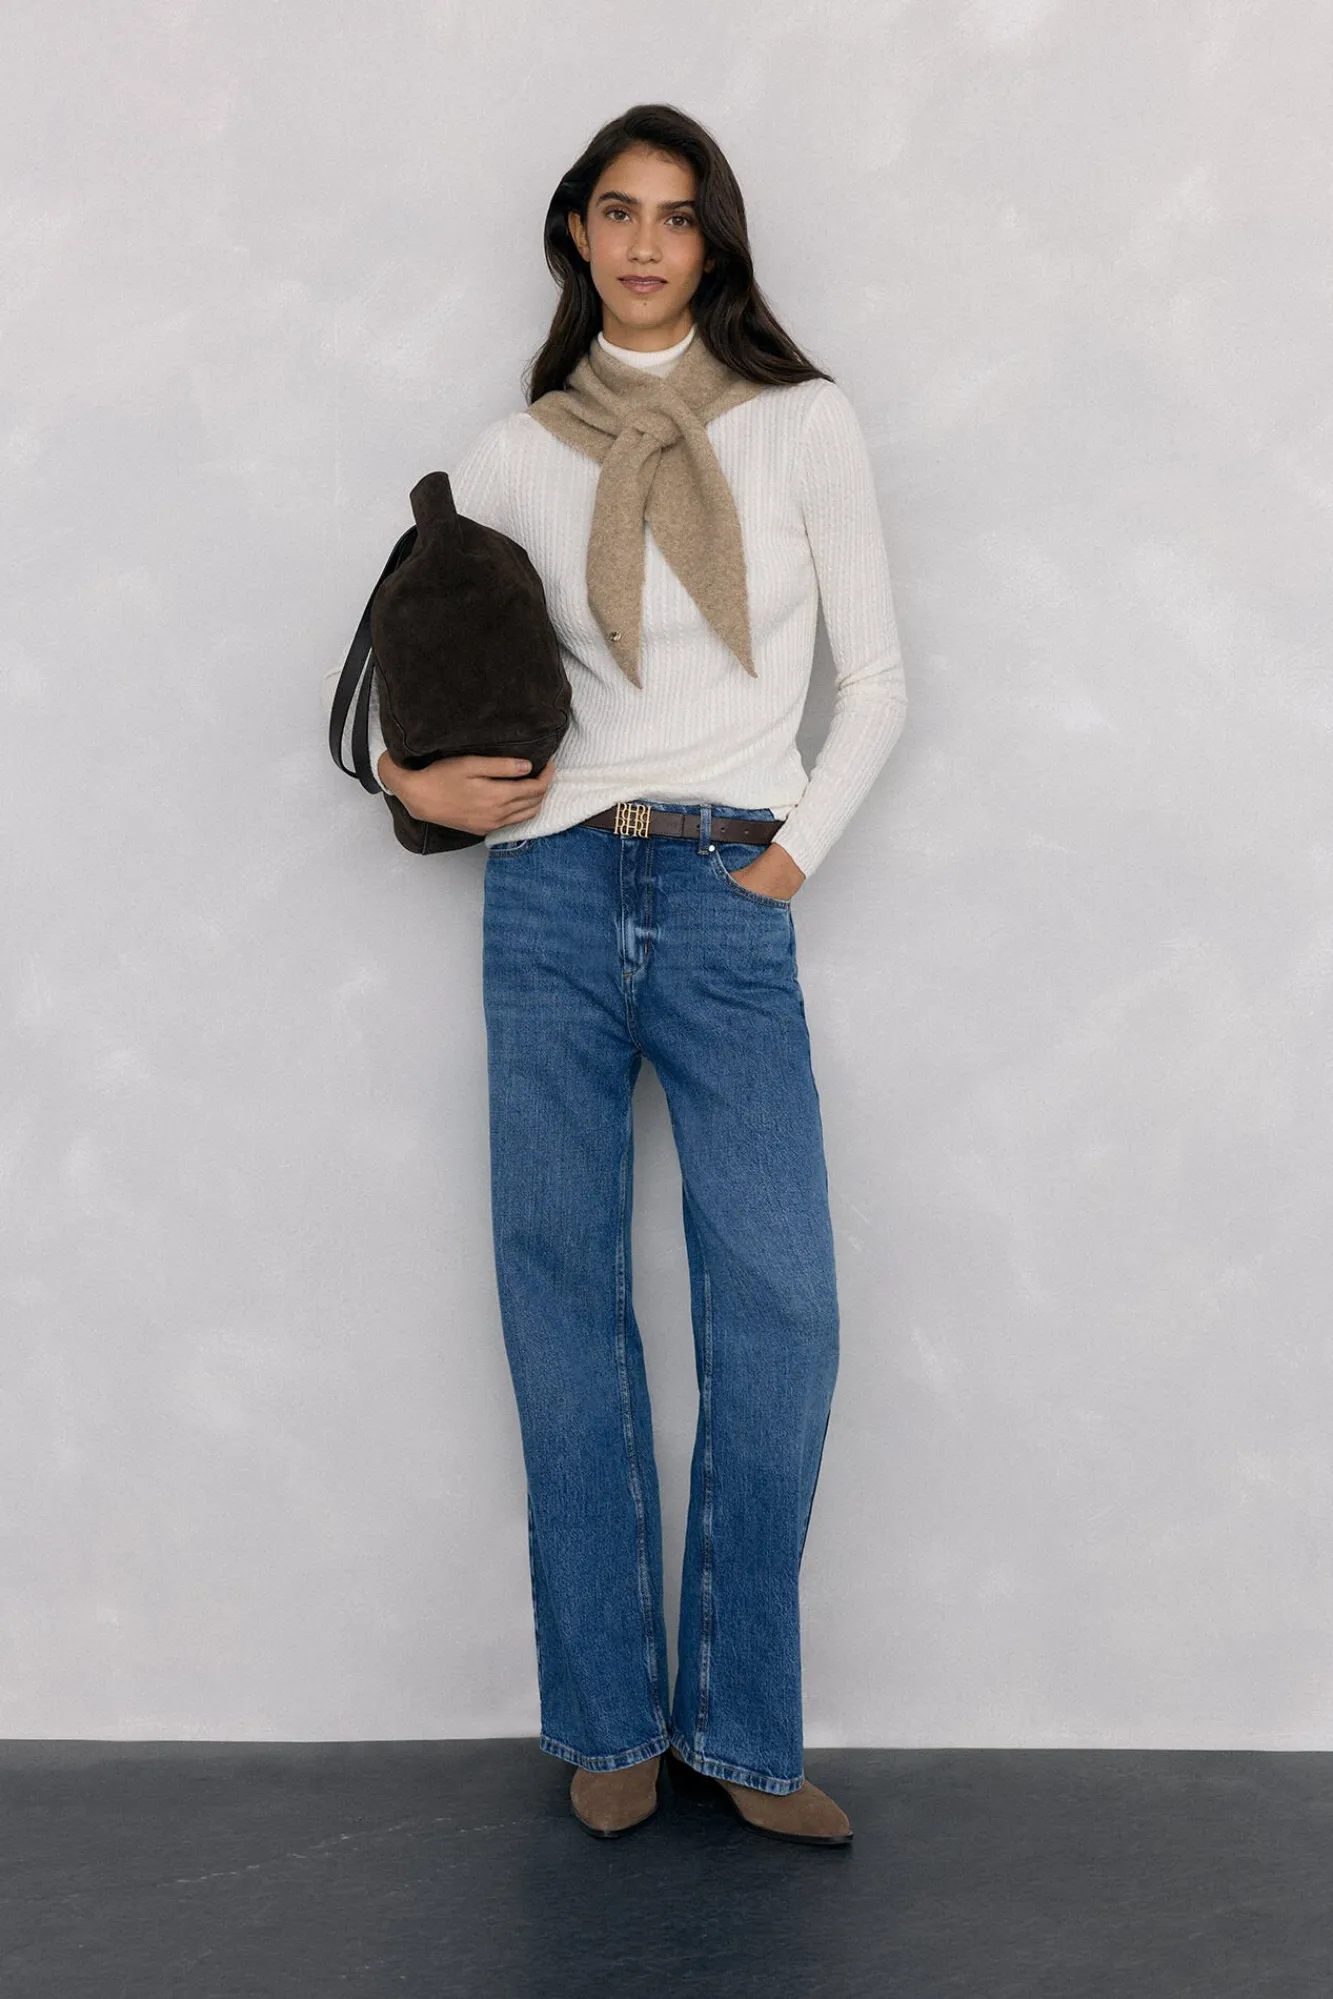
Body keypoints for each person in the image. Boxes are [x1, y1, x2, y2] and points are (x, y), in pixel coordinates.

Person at [327, 104, 907, 1847]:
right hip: (553, 899)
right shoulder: (515, 455)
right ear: (576, 235)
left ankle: (741, 1727)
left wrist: (784, 863)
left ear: (713, 241)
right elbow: (418, 664)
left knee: (781, 1306)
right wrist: (409, 785)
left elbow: (877, 680)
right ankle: (606, 1721)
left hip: (728, 889)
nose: (646, 242)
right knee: (563, 1301)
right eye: (616, 211)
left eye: (677, 215)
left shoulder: (804, 425)